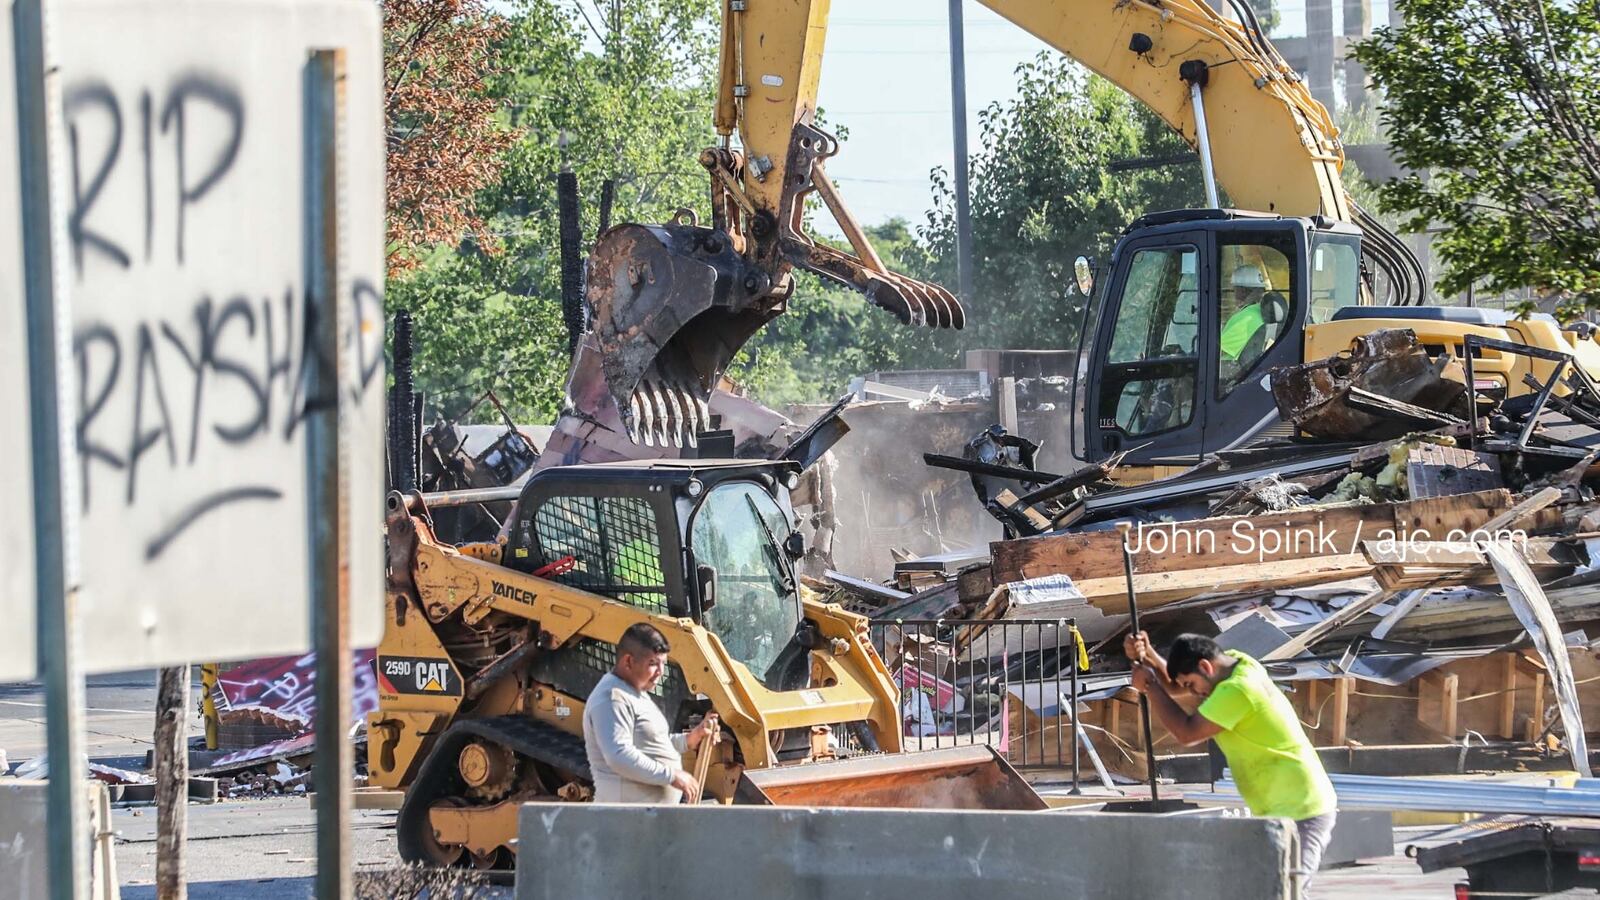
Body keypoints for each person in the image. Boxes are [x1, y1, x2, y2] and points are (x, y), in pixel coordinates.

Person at [1125, 631, 1337, 887]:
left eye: (1192, 684)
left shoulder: (1238, 690)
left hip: (1302, 810)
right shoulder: (1234, 663)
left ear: (1205, 666)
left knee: (1285, 890)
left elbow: (1187, 732)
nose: (1194, 693)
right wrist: (1148, 655)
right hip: (1278, 810)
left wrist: (1150, 687)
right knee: (1268, 890)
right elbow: (1178, 686)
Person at [584, 622, 719, 803]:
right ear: (628, 661)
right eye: (653, 663)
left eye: (663, 663)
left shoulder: (635, 694)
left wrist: (691, 739)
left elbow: (650, 743)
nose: (660, 672)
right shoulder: (612, 698)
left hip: (646, 821)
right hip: (626, 821)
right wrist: (672, 776)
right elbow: (618, 755)